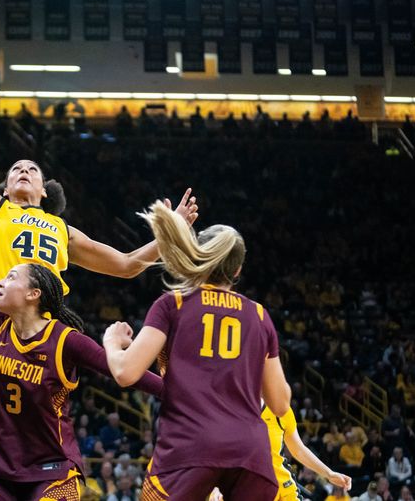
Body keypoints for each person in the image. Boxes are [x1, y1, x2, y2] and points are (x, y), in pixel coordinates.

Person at [0, 35, 198, 382]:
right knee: (12, 420)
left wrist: (171, 233)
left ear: (44, 190)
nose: (23, 171)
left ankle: (178, 394)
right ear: (4, 188)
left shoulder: (62, 230)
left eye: (32, 169)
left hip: (46, 332)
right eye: (15, 170)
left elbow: (127, 265)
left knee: (48, 421)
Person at [0, 181, 163, 501]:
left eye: (11, 277)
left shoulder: (66, 341)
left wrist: (181, 394)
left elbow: (124, 371)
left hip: (52, 469)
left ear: (33, 294)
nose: (0, 281)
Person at [102, 201, 291, 501]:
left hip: (190, 448)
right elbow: (280, 404)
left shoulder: (173, 304)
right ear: (238, 269)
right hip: (250, 453)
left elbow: (126, 373)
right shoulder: (258, 315)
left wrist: (112, 343)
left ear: (196, 254)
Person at [261, 404, 351, 500]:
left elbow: (299, 450)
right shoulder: (243, 412)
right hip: (250, 488)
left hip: (283, 489)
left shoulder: (280, 410)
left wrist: (329, 474)